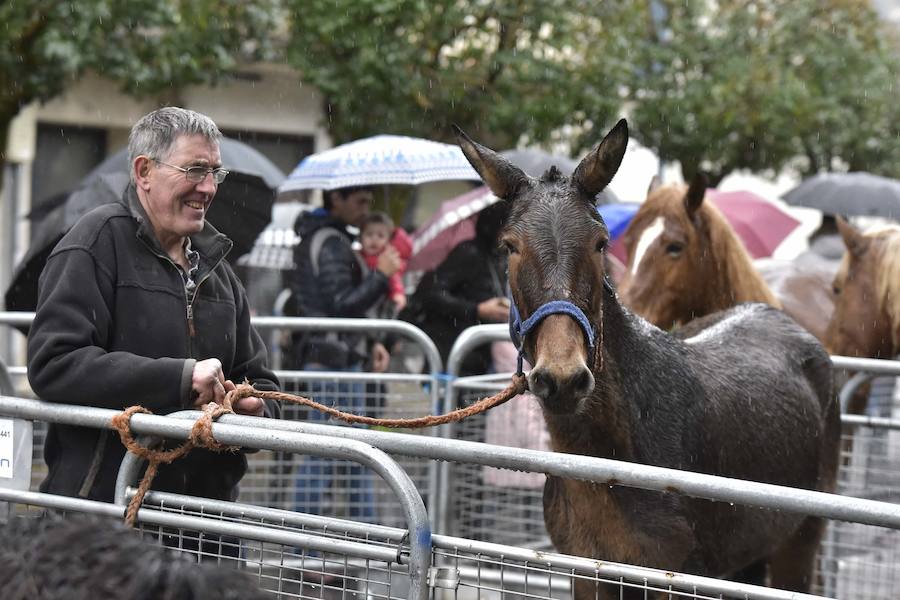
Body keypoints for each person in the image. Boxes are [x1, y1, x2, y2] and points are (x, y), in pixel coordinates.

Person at [26, 106, 280, 507]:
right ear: (144, 171)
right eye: (195, 170)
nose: (209, 188)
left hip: (204, 524)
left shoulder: (221, 271)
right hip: (106, 515)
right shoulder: (95, 243)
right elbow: (54, 365)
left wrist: (253, 408)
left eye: (215, 172)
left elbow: (262, 385)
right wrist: (179, 379)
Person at [284, 185, 402, 521]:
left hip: (331, 357)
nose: (366, 208)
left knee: (337, 454)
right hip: (333, 360)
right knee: (344, 455)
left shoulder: (324, 237)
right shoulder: (331, 241)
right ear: (336, 199)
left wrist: (372, 340)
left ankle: (319, 544)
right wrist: (382, 276)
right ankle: (356, 540)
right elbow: (341, 305)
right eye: (360, 200)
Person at [401, 200, 511, 376]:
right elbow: (432, 294)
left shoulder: (497, 255)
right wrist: (477, 310)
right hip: (454, 347)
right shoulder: (469, 252)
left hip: (478, 352)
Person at [358, 211, 412, 313]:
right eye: (369, 234)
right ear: (361, 237)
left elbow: (393, 278)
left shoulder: (385, 260)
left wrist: (397, 293)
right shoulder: (356, 255)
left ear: (388, 240)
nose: (374, 239)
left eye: (380, 236)